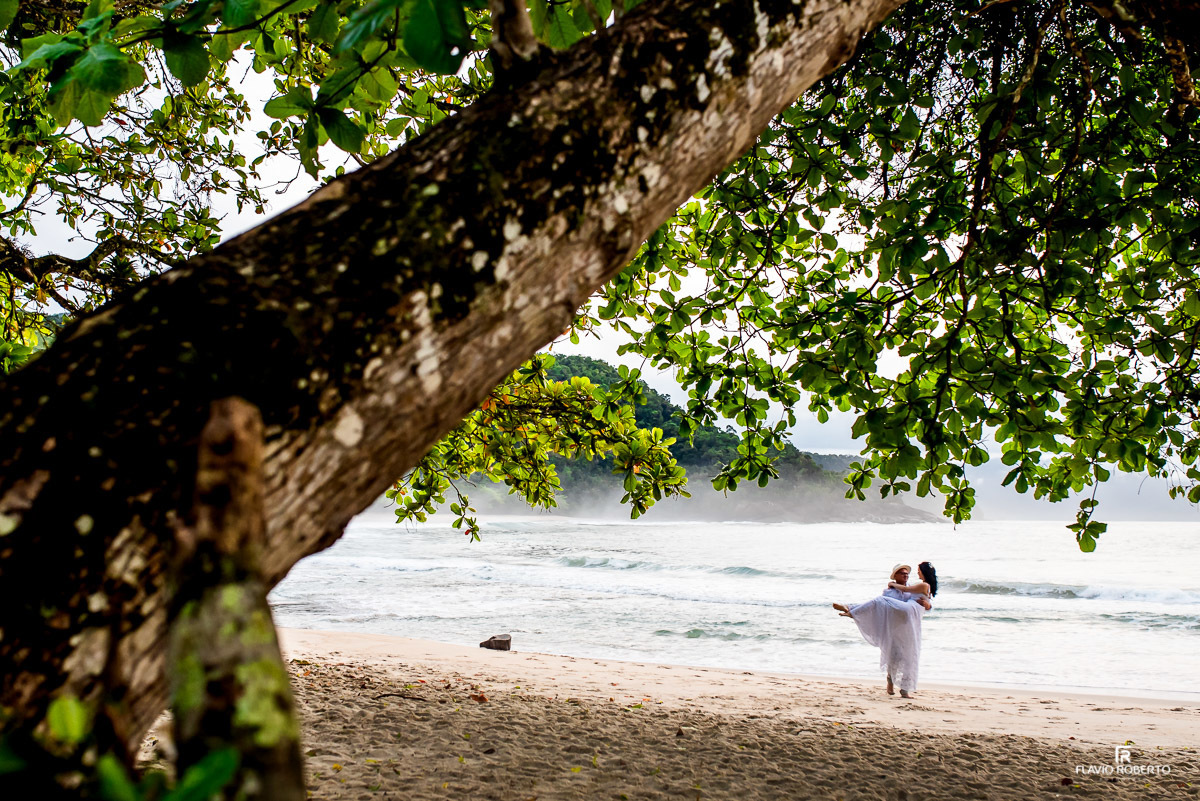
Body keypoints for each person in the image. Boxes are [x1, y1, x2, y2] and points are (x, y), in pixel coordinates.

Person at [832, 562, 938, 698]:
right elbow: (886, 609)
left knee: (909, 653)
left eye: (912, 572)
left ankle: (852, 610)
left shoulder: (919, 586)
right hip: (896, 625)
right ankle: (852, 610)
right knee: (894, 654)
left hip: (909, 618)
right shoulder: (896, 591)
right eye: (903, 573)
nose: (911, 575)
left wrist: (928, 605)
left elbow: (913, 595)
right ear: (896, 575)